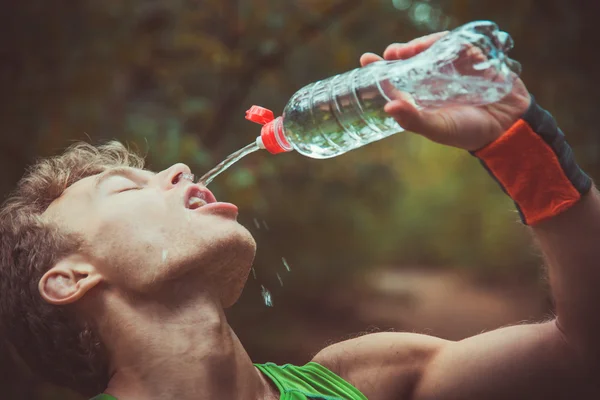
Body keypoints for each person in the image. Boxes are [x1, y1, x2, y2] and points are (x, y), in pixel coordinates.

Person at [1, 31, 598, 400]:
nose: (179, 169)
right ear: (70, 278)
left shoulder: (364, 380)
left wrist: (521, 144)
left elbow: (583, 352)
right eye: (125, 190)